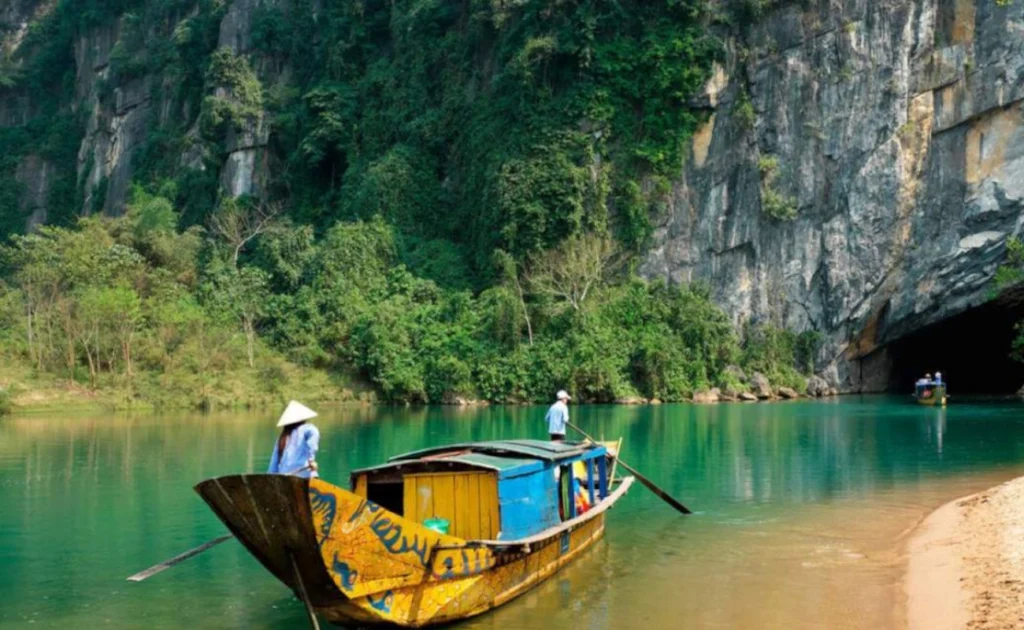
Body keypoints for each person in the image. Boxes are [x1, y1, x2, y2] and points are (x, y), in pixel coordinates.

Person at [268, 400, 320, 478]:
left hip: (284, 478)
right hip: (305, 477)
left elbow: (273, 466)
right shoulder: (307, 428)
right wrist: (311, 460)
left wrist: (270, 479)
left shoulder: (282, 438)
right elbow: (314, 433)